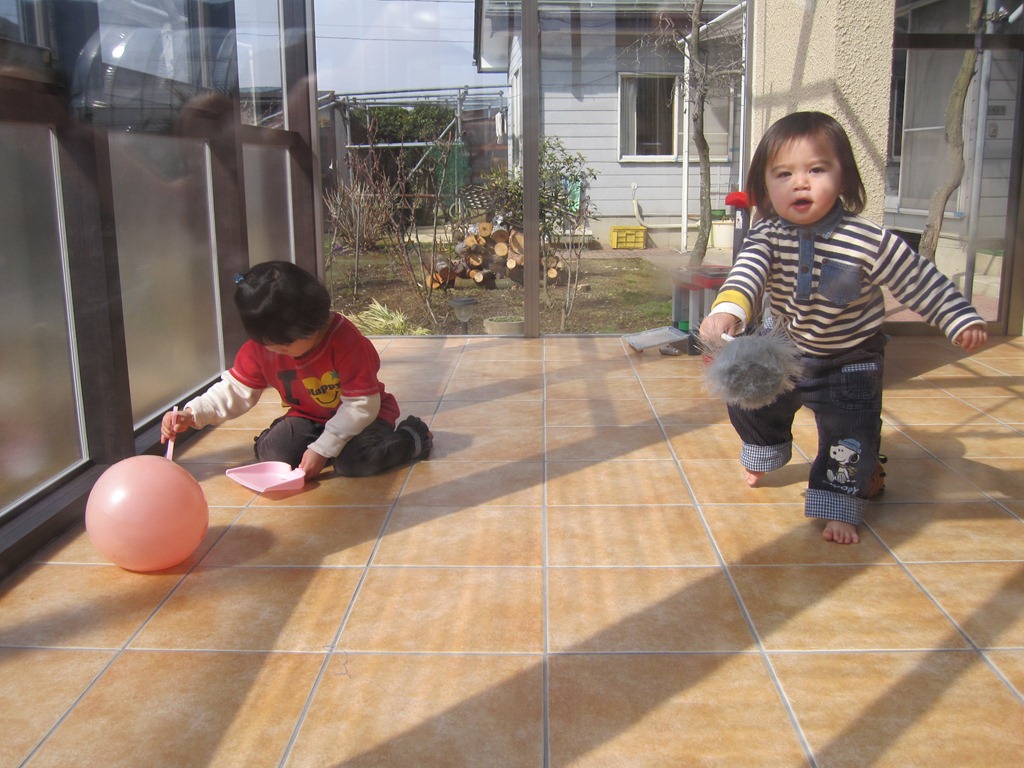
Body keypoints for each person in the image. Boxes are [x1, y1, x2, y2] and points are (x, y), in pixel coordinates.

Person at [699, 111, 988, 545]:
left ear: (843, 177)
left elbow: (919, 280)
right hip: (785, 351)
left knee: (848, 437)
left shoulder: (868, 240)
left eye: (816, 170)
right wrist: (728, 311)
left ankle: (838, 505)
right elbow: (747, 274)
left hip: (850, 360)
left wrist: (958, 316)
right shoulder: (766, 236)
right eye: (784, 174)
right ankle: (763, 451)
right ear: (765, 186)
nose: (800, 183)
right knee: (750, 401)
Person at [161, 261, 432, 480]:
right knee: (273, 456)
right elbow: (235, 389)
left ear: (312, 322)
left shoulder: (346, 343)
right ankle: (316, 443)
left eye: (283, 345)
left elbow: (361, 405)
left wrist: (323, 449)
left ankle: (413, 436)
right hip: (309, 418)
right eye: (268, 344)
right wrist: (192, 413)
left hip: (365, 418)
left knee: (353, 463)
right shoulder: (264, 347)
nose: (275, 351)